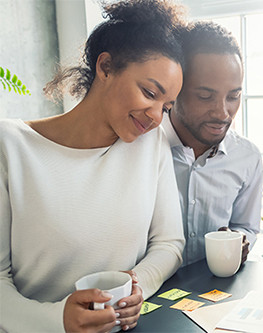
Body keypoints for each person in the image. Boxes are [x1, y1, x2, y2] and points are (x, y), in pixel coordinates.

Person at [0, 0, 186, 331]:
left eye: (167, 106)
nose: (157, 116)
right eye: (148, 92)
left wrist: (136, 285)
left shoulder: (150, 146)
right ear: (105, 67)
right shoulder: (10, 147)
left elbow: (169, 244)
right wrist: (58, 320)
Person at [162, 21, 263, 266]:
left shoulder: (247, 157)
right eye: (205, 96)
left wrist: (239, 240)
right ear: (175, 88)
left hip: (213, 294)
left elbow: (245, 226)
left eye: (233, 96)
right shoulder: (142, 147)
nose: (222, 113)